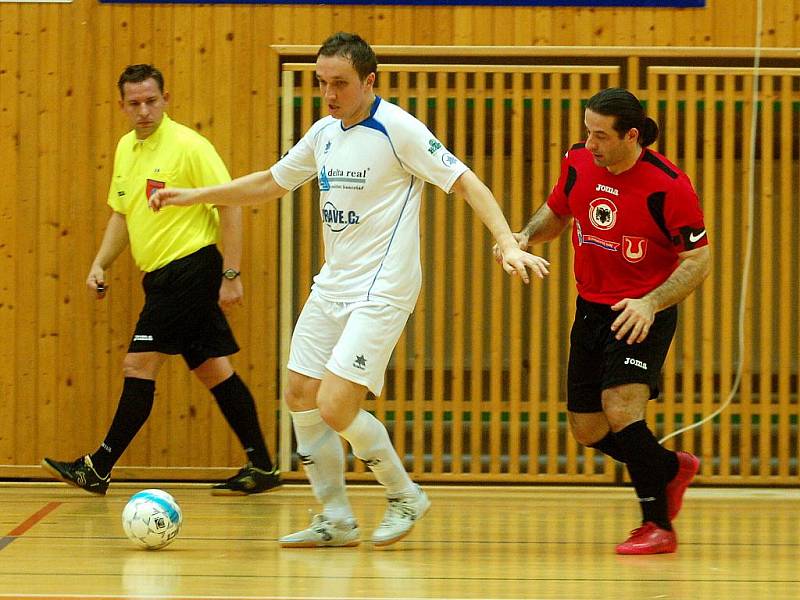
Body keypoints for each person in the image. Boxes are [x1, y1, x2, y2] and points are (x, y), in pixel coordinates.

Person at [149, 33, 550, 548]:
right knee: (299, 394)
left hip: (383, 290)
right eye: (322, 83)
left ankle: (404, 494)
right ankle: (335, 519)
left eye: (340, 83)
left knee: (336, 404)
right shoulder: (323, 134)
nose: (330, 94)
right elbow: (271, 183)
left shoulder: (398, 129)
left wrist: (506, 242)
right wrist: (195, 197)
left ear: (369, 81)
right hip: (332, 285)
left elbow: (466, 182)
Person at [41, 64, 280, 497]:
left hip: (190, 269)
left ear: (166, 99)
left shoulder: (190, 146)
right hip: (160, 278)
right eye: (135, 104)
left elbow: (232, 205)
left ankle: (99, 466)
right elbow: (122, 212)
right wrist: (100, 264)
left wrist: (231, 274)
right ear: (122, 106)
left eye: (151, 101)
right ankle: (262, 466)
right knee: (213, 371)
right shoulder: (125, 150)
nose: (144, 110)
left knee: (138, 364)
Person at [501, 88, 711, 555]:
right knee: (588, 429)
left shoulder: (669, 185)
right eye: (587, 131)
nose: (590, 143)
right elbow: (558, 211)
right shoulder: (578, 162)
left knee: (622, 409)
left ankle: (657, 525)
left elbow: (698, 258)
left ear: (631, 136)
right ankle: (669, 467)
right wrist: (525, 236)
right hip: (591, 308)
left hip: (641, 312)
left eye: (600, 135)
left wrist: (651, 303)